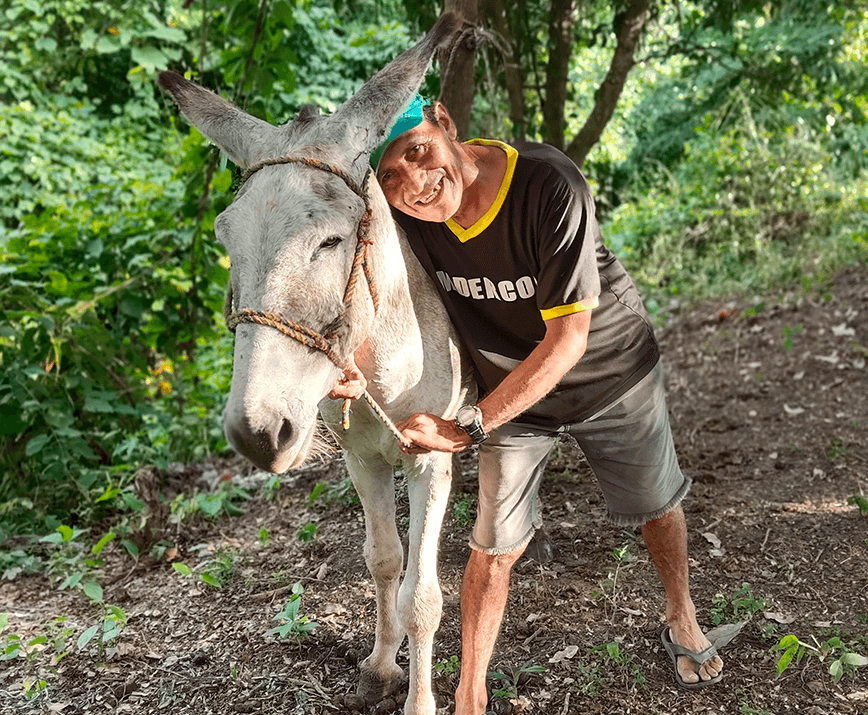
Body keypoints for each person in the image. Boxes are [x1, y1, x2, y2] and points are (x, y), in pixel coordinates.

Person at [332, 96, 734, 714]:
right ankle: (469, 694)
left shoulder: (548, 185)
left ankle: (680, 615)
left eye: (417, 152)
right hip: (511, 392)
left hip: (610, 373)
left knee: (656, 505)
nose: (413, 182)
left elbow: (568, 339)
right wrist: (345, 363)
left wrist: (469, 423)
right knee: (493, 545)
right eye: (388, 175)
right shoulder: (403, 217)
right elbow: (369, 289)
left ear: (444, 121)